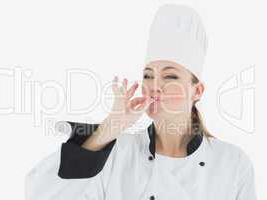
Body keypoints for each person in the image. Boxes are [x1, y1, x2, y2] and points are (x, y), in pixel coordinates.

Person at [25, 4, 257, 200]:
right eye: (148, 75)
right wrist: (111, 127)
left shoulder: (232, 163)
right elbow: (42, 192)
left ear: (197, 91)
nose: (154, 85)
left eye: (170, 76)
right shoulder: (115, 153)